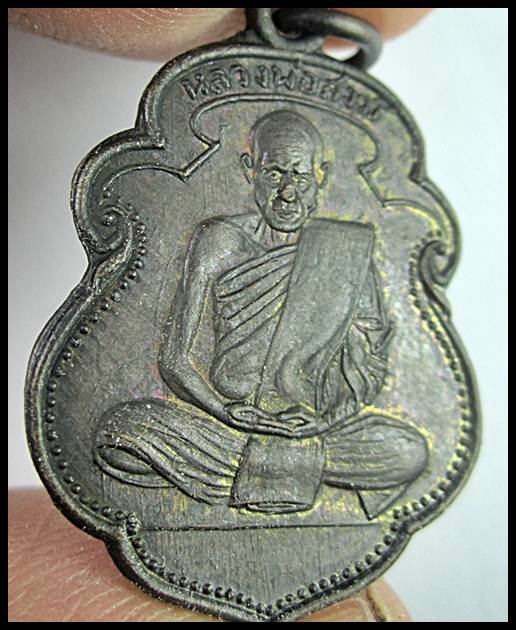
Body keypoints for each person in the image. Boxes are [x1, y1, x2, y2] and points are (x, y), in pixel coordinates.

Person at [9, 8, 433, 622]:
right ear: (249, 171)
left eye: (300, 175)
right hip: (224, 426)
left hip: (317, 432)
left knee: (408, 451)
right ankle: (278, 472)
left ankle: (254, 474)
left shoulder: (346, 251)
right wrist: (224, 410)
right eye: (274, 172)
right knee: (121, 435)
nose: (287, 190)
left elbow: (369, 359)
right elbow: (176, 358)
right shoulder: (221, 241)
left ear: (319, 178)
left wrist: (322, 418)